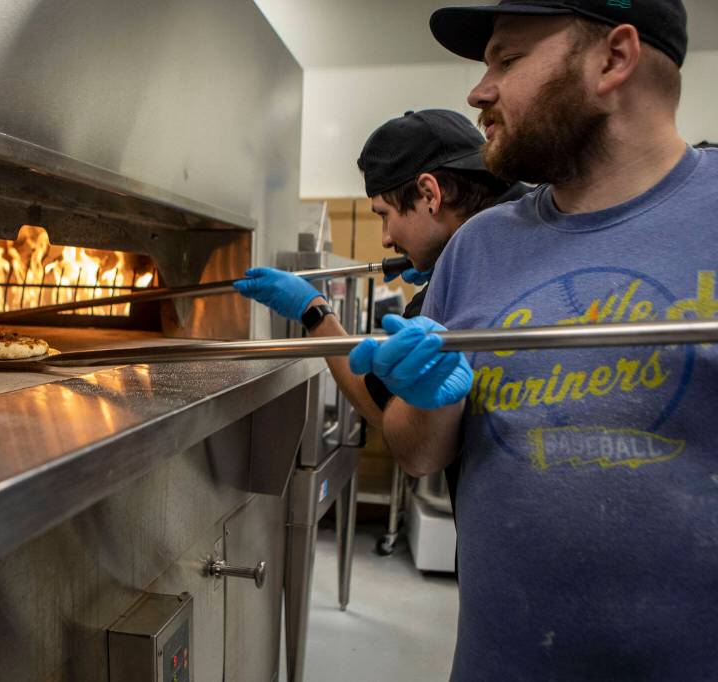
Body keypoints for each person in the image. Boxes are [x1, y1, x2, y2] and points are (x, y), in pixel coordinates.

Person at [351, 1, 717, 679]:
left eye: (508, 59)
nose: (478, 90)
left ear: (614, 58)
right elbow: (417, 454)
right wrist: (427, 401)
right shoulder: (480, 246)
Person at [234, 109, 523, 428]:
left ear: (430, 195)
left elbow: (377, 405)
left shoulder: (466, 271)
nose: (386, 239)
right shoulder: (514, 228)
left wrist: (313, 310)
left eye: (384, 215)